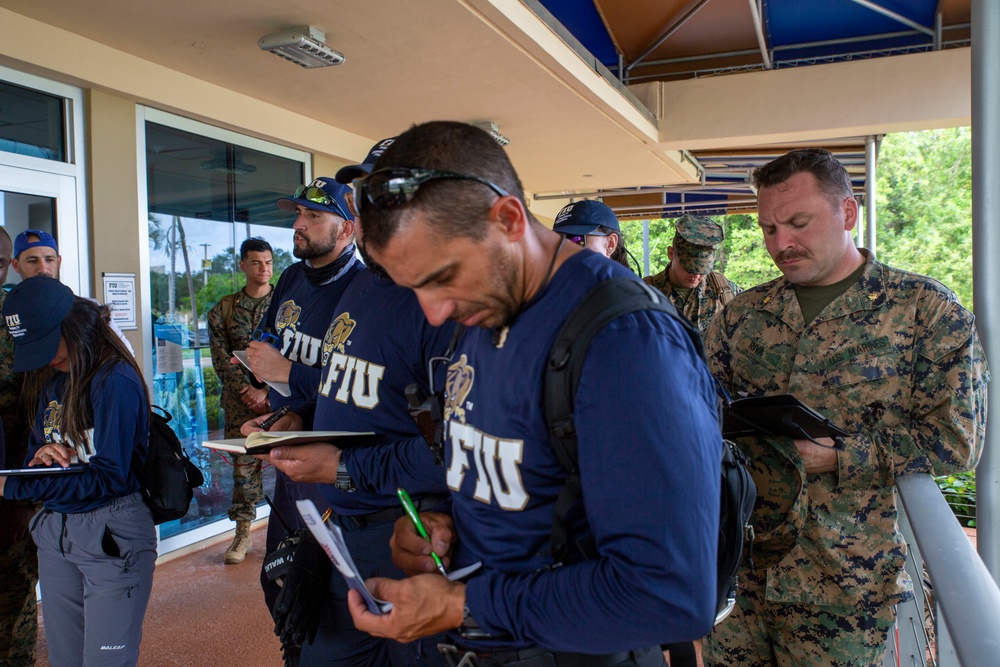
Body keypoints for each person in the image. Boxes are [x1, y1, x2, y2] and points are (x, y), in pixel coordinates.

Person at [344, 121, 721, 666]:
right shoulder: (481, 305)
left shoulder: (627, 341)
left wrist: (462, 605)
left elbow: (669, 595)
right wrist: (435, 524)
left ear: (508, 219)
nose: (434, 311)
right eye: (414, 287)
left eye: (443, 276)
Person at [702, 148, 989, 667]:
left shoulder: (925, 311)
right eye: (768, 228)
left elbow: (956, 440)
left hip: (845, 586)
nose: (780, 243)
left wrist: (838, 455)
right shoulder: (741, 316)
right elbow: (702, 411)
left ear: (847, 214)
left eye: (798, 222)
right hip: (742, 573)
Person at [0, 276, 157, 667]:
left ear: (70, 327)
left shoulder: (114, 380)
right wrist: (41, 460)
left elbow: (109, 478)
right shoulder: (52, 379)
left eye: (44, 345)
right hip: (57, 533)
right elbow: (39, 453)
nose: (43, 359)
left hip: (110, 534)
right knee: (65, 658)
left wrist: (14, 488)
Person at [237, 178, 363, 619]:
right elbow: (269, 340)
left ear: (347, 230)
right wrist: (260, 373)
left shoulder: (362, 289)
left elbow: (361, 388)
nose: (299, 224)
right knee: (280, 580)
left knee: (328, 592)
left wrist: (288, 372)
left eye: (314, 215)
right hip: (288, 451)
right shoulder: (291, 276)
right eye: (298, 213)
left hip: (336, 464)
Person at [207, 236, 275, 564]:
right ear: (243, 265)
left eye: (269, 262)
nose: (264, 268)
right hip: (238, 404)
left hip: (282, 403)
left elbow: (298, 355)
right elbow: (220, 357)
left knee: (294, 463)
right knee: (243, 468)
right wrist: (247, 392)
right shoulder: (224, 308)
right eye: (257, 262)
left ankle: (294, 531)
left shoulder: (286, 305)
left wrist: (267, 393)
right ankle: (243, 532)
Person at [11, 229, 135, 355]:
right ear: (16, 265)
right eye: (32, 261)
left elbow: (126, 356)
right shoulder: (10, 313)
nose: (43, 269)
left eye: (49, 260)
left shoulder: (88, 309)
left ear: (58, 262)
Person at [0, 269, 37, 667]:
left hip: (9, 491)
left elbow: (38, 415)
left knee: (12, 602)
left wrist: (20, 500)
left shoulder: (18, 324)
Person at [643, 215, 740, 335]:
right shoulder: (644, 293)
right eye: (689, 268)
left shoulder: (724, 290)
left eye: (702, 270)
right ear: (671, 254)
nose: (696, 275)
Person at [552, 199, 634, 271]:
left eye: (576, 239)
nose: (564, 250)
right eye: (558, 242)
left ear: (610, 244)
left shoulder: (628, 287)